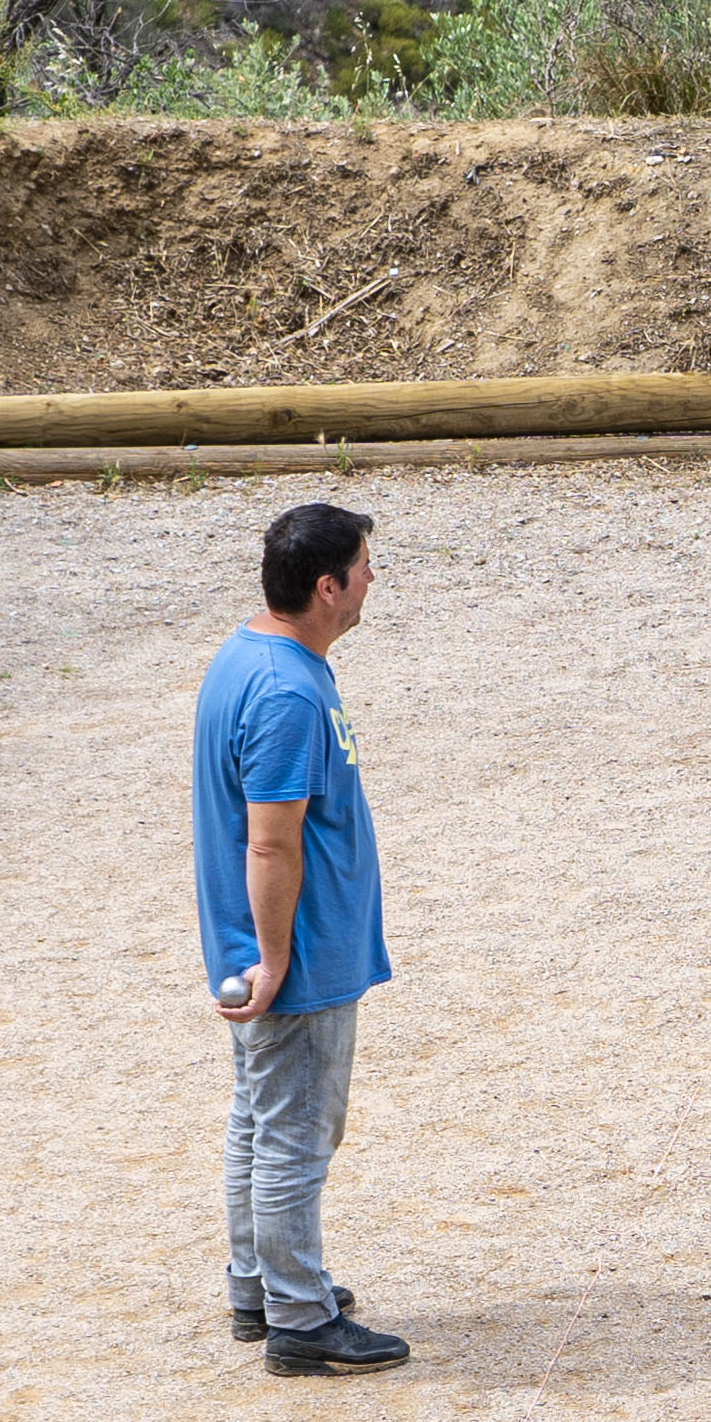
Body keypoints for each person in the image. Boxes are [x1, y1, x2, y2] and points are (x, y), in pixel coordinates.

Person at [194, 500, 403, 1370]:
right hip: (299, 952)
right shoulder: (283, 690)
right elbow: (271, 838)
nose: (372, 581)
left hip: (272, 947)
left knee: (259, 1117)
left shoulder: (251, 655)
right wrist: (278, 958)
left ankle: (261, 1284)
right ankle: (300, 1322)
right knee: (297, 1130)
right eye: (363, 566)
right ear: (328, 586)